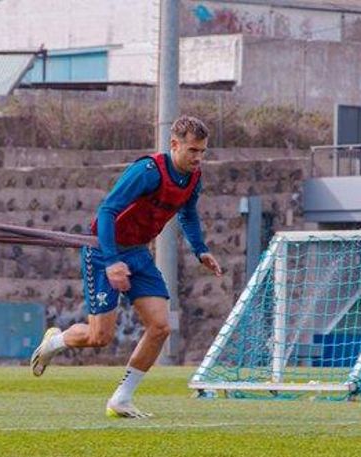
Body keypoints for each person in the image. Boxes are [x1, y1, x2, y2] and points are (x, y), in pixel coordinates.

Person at [30, 115, 223, 418]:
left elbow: (188, 213)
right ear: (174, 145)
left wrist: (200, 250)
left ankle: (121, 399)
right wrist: (111, 262)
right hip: (103, 251)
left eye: (202, 152)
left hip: (138, 253)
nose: (198, 158)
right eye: (192, 151)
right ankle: (54, 341)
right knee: (99, 337)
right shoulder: (148, 171)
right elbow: (107, 211)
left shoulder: (193, 177)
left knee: (160, 327)